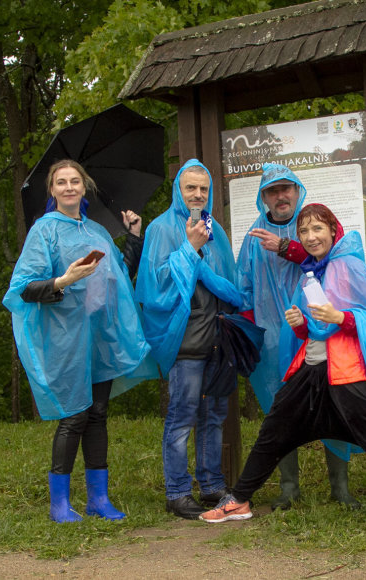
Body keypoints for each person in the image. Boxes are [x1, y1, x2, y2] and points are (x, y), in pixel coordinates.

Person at [200, 204, 366, 535]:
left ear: (333, 230)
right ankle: (240, 499)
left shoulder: (349, 266)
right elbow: (319, 331)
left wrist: (342, 318)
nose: (310, 236)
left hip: (346, 372)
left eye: (317, 229)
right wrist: (302, 325)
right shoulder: (316, 269)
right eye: (303, 231)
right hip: (311, 368)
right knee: (272, 432)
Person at [4, 159, 150, 523]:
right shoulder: (44, 232)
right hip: (65, 338)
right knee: (75, 415)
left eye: (75, 181)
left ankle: (98, 499)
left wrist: (133, 236)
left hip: (98, 336)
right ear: (52, 191)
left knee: (98, 414)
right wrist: (63, 280)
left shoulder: (98, 231)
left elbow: (119, 273)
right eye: (61, 182)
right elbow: (22, 289)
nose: (69, 187)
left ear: (85, 187)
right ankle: (59, 504)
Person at [236, 163, 359, 510]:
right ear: (264, 198)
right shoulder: (252, 238)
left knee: (333, 406)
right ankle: (289, 488)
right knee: (281, 412)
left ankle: (341, 488)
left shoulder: (312, 225)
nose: (280, 196)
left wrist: (286, 246)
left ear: (297, 190)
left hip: (320, 333)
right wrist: (252, 333)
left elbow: (334, 261)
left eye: (286, 188)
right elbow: (244, 288)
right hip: (274, 341)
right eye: (273, 191)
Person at [136, 159, 244, 520]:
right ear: (177, 190)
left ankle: (212, 484)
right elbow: (153, 288)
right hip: (183, 341)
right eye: (190, 188)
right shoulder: (160, 229)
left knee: (214, 415)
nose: (197, 195)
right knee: (182, 417)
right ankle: (177, 490)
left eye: (203, 188)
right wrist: (189, 249)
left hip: (216, 337)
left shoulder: (216, 230)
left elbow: (227, 282)